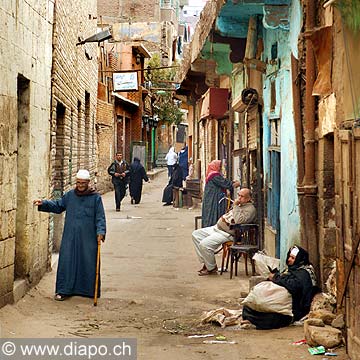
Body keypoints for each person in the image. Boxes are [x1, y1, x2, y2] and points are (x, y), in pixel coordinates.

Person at [33, 169, 106, 301]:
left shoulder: (96, 198)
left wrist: (101, 231)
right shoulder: (70, 196)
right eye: (78, 182)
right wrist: (44, 203)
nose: (80, 185)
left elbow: (100, 217)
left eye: (83, 183)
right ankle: (64, 290)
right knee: (67, 261)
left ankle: (88, 291)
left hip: (88, 238)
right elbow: (58, 205)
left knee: (88, 261)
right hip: (70, 237)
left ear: (88, 182)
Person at [242, 245, 319, 329]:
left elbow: (293, 286)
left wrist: (276, 278)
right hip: (281, 303)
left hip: (294, 308)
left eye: (292, 258)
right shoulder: (292, 270)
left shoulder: (304, 274)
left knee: (272, 318)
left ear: (299, 260)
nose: (289, 259)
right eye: (289, 256)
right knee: (248, 307)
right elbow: (283, 279)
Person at [192, 188, 256, 276]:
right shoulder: (240, 204)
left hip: (227, 234)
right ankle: (207, 263)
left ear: (248, 198)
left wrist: (236, 206)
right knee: (196, 234)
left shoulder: (250, 209)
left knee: (204, 245)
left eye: (242, 196)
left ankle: (211, 268)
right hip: (217, 228)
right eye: (239, 195)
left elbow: (238, 220)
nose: (239, 198)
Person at [202, 160, 240, 228]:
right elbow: (224, 183)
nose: (220, 168)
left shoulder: (212, 174)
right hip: (213, 199)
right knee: (213, 213)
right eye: (219, 166)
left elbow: (223, 182)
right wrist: (233, 184)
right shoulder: (214, 175)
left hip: (212, 198)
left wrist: (231, 182)